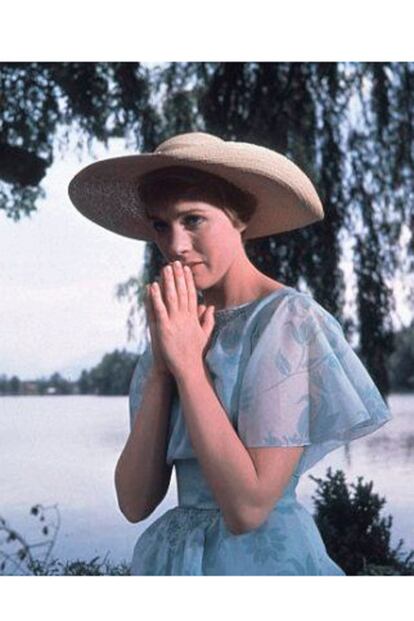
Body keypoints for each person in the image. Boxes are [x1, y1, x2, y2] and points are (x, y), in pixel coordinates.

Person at [68, 131, 392, 575]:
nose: (175, 245)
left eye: (194, 220)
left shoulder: (287, 321)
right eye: (161, 224)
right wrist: (164, 368)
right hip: (175, 563)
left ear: (238, 216)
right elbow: (134, 501)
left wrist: (189, 369)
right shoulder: (177, 327)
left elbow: (248, 509)